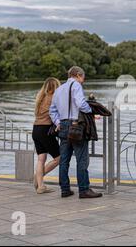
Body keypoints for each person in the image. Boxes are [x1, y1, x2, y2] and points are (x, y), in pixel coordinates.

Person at [49, 66, 103, 199]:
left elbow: (52, 110)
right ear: (78, 75)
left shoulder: (59, 89)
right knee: (82, 159)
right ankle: (84, 190)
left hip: (63, 126)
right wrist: (90, 110)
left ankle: (65, 189)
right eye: (83, 77)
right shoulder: (76, 85)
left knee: (64, 160)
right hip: (76, 126)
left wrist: (58, 123)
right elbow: (80, 103)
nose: (83, 80)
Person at [32, 77, 61, 194]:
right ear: (55, 87)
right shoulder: (53, 98)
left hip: (36, 129)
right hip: (45, 130)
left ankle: (41, 186)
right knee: (59, 158)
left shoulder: (40, 97)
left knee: (41, 159)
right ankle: (38, 178)